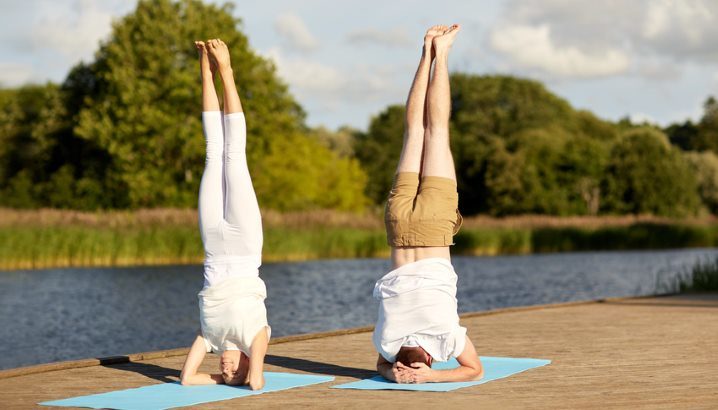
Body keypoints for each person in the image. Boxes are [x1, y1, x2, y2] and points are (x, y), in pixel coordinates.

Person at [373, 24, 484, 384]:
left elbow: (473, 370)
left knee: (436, 131)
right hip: (399, 227)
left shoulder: (445, 339)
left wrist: (428, 379)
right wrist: (398, 373)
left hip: (435, 226)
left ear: (431, 361)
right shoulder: (386, 342)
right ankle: (425, 51)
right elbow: (381, 366)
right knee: (415, 132)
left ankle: (442, 54)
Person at [179, 39, 269, 390]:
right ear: (247, 364)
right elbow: (257, 383)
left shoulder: (210, 337)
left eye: (225, 372)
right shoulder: (256, 338)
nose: (228, 369)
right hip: (245, 246)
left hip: (215, 248)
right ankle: (227, 72)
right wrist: (252, 376)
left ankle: (205, 66)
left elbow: (187, 380)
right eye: (236, 371)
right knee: (234, 156)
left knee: (213, 154)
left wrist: (219, 381)